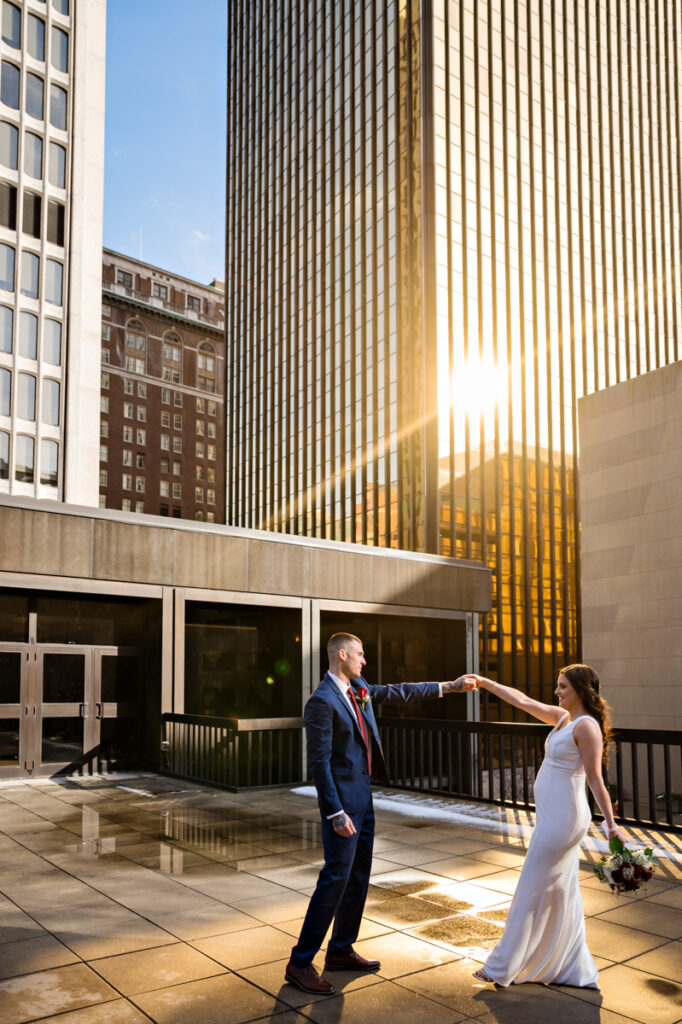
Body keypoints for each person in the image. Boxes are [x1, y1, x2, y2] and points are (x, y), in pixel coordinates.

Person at [284, 631, 476, 996]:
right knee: (335, 879)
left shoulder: (358, 688)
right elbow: (320, 764)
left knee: (358, 877)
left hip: (364, 800)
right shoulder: (321, 702)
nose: (364, 660)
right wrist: (335, 812)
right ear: (341, 655)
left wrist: (449, 687)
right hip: (344, 807)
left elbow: (398, 691)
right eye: (359, 654)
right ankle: (299, 962)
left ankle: (340, 950)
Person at [461, 664, 623, 989]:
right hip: (553, 816)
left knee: (531, 888)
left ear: (580, 689)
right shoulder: (564, 718)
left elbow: (595, 779)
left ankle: (501, 966)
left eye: (563, 686)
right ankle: (572, 967)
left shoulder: (586, 726)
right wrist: (486, 682)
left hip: (564, 819)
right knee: (560, 892)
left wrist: (610, 823)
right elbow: (522, 701)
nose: (557, 691)